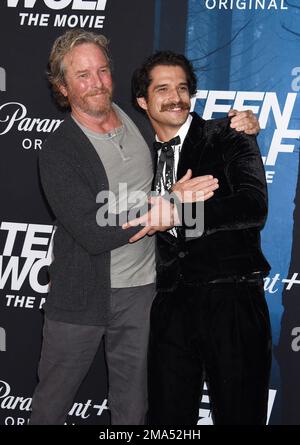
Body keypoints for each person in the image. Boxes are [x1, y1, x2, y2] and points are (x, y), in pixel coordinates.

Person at [30, 29, 260, 425]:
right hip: (81, 298)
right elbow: (93, 231)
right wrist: (171, 204)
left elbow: (193, 142)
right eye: (83, 75)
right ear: (62, 86)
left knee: (133, 411)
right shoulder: (59, 150)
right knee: (51, 405)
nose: (97, 82)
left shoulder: (140, 128)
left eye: (102, 71)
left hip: (143, 298)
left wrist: (241, 125)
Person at [127, 51, 272, 425]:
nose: (176, 96)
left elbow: (253, 206)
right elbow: (118, 216)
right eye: (163, 89)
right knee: (166, 419)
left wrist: (177, 212)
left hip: (232, 300)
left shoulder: (227, 135)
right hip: (170, 304)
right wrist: (168, 201)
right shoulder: (137, 156)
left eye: (182, 87)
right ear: (143, 101)